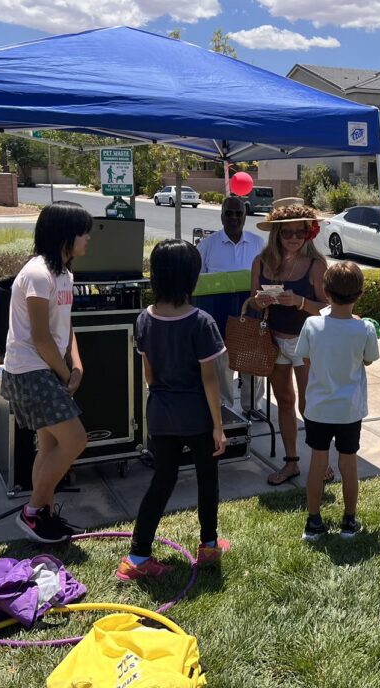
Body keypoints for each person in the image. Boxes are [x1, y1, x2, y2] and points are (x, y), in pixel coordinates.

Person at [116, 239, 229, 581]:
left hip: (161, 414)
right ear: (190, 278)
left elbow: (149, 374)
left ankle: (137, 556)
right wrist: (218, 426)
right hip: (197, 416)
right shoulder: (201, 322)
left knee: (161, 481)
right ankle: (208, 546)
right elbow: (210, 381)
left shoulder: (144, 319)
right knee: (207, 480)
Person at [2, 201, 92, 543]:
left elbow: (64, 329)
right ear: (64, 235)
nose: (87, 239)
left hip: (48, 368)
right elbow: (39, 336)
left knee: (50, 443)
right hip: (29, 370)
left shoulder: (65, 274)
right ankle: (32, 512)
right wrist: (65, 373)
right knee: (76, 439)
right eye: (83, 232)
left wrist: (77, 364)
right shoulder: (38, 274)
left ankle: (43, 515)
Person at [294, 261, 379, 541]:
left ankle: (314, 522)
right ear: (359, 294)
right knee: (348, 463)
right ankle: (348, 521)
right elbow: (368, 359)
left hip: (318, 408)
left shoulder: (312, 324)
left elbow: (305, 357)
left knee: (318, 464)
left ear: (326, 292)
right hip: (349, 410)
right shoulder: (365, 328)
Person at [251, 202, 329, 486]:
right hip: (274, 341)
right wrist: (260, 301)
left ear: (308, 233)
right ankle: (292, 462)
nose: (294, 237)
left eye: (300, 232)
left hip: (306, 342)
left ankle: (321, 462)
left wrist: (301, 302)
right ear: (277, 235)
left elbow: (329, 309)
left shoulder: (316, 264)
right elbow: (254, 300)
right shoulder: (261, 262)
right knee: (284, 401)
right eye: (287, 233)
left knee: (310, 404)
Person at [198, 195, 265, 414]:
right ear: (221, 216)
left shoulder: (258, 243)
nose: (234, 218)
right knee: (221, 366)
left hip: (250, 316)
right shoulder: (207, 245)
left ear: (245, 216)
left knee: (251, 362)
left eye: (239, 213)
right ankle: (224, 408)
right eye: (229, 213)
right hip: (218, 317)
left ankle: (252, 406)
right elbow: (197, 284)